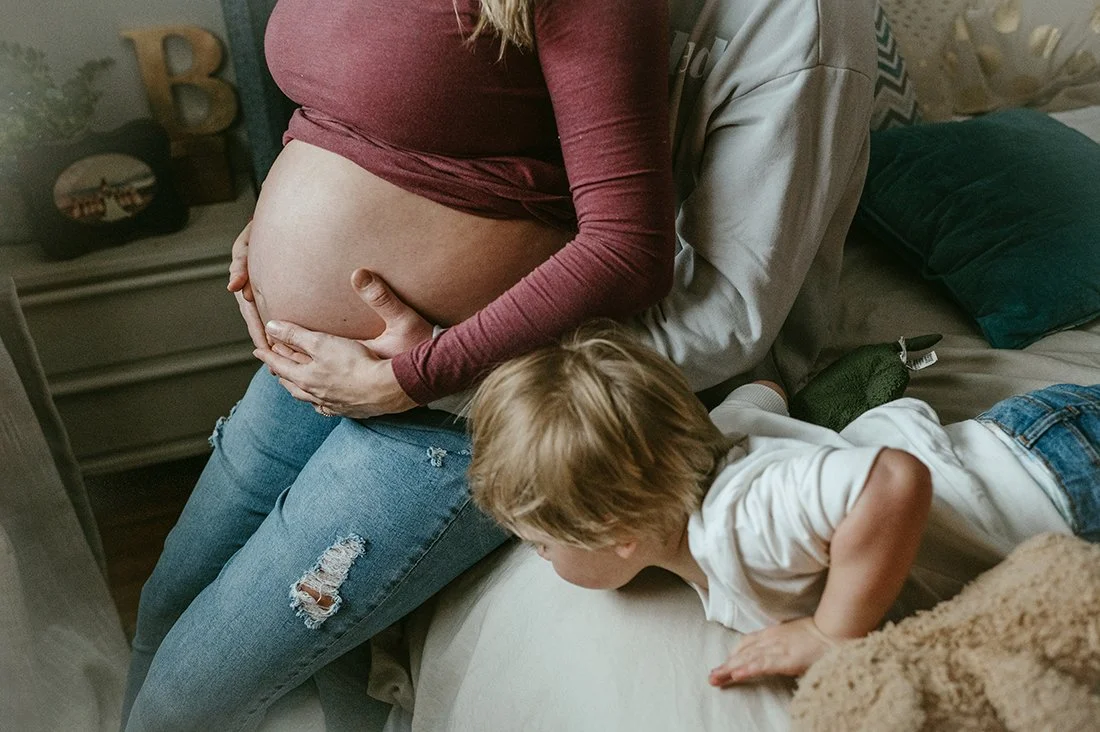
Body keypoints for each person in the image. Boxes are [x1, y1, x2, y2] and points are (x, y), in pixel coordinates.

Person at [122, 0, 877, 728]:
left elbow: (716, 310)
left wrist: (427, 371)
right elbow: (404, 108)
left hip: (494, 389)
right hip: (327, 362)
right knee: (167, 610)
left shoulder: (798, 22)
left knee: (186, 699)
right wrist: (281, 218)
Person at [467, 325, 1099, 687]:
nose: (541, 559)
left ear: (617, 531)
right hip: (1034, 444)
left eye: (541, 544)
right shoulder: (711, 436)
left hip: (1057, 472)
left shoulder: (740, 525)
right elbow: (762, 392)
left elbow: (893, 482)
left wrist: (831, 633)